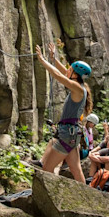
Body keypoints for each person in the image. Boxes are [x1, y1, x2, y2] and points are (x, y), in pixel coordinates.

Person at [35, 42, 92, 184]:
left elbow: (59, 75)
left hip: (68, 134)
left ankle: (51, 198)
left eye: (71, 69)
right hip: (71, 133)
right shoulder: (79, 86)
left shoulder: (77, 88)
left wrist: (43, 60)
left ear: (76, 74)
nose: (68, 70)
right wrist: (53, 58)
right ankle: (88, 196)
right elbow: (66, 72)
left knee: (47, 169)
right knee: (75, 168)